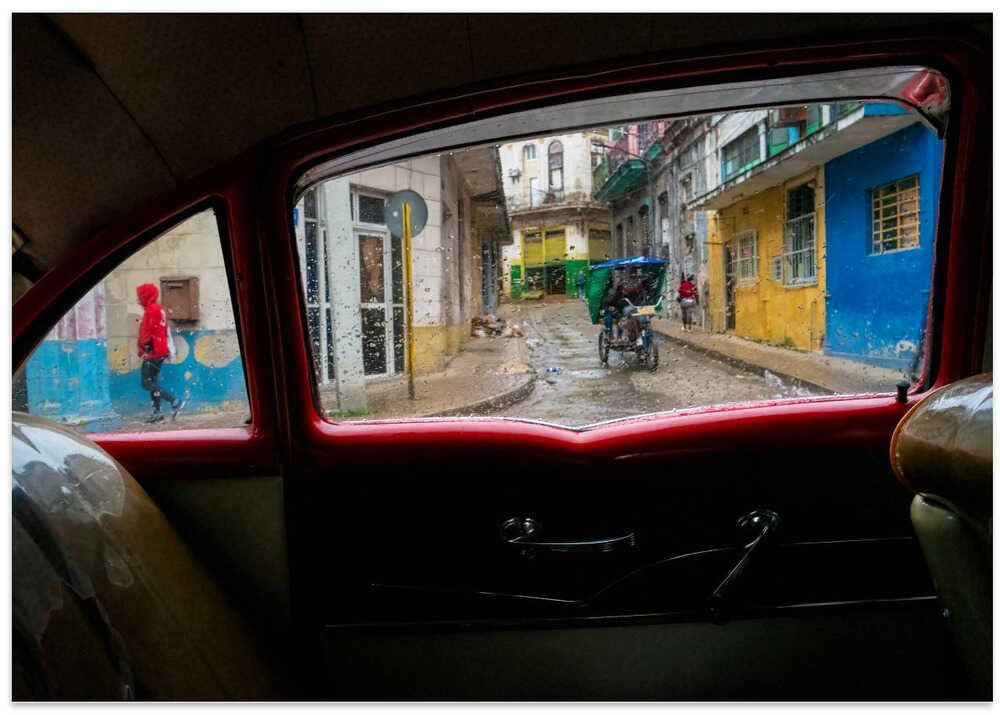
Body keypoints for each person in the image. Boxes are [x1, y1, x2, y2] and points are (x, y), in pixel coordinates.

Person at [136, 283, 186, 423]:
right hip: (160, 351)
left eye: (140, 296)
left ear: (146, 296)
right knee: (153, 383)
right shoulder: (158, 309)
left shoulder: (151, 310)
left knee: (146, 383)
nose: (139, 300)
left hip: (153, 352)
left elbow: (146, 334)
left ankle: (174, 401)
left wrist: (143, 348)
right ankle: (157, 413)